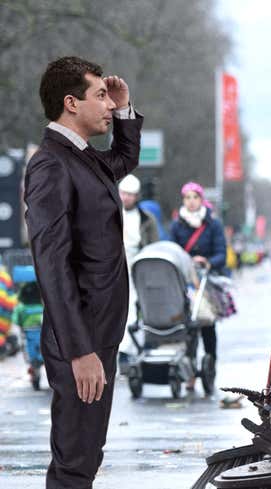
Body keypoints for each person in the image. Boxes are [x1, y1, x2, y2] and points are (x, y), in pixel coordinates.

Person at [24, 56, 142, 488]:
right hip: (81, 340)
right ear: (71, 103)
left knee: (85, 456)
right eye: (100, 96)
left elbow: (124, 162)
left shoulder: (84, 158)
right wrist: (79, 352)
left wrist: (126, 110)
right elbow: (51, 264)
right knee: (75, 462)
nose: (108, 105)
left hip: (98, 334)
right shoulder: (51, 165)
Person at [170, 182, 227, 388]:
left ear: (201, 200)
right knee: (187, 327)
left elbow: (222, 252)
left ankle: (210, 363)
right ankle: (190, 372)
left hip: (206, 280)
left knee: (207, 325)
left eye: (195, 197)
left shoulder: (213, 224)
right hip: (185, 281)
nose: (191, 202)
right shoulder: (177, 225)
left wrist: (208, 261)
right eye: (187, 198)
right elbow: (172, 249)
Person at [118, 174, 158, 373]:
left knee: (132, 308)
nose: (126, 198)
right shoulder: (109, 213)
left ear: (137, 196)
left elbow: (153, 246)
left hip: (138, 265)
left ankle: (127, 351)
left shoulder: (146, 219)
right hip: (113, 264)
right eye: (124, 193)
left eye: (130, 195)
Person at [12, 279, 44, 388]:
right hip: (43, 333)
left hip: (28, 333)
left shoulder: (21, 308)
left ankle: (34, 367)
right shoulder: (43, 306)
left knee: (31, 353)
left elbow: (16, 321)